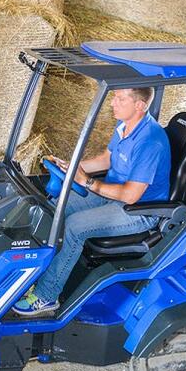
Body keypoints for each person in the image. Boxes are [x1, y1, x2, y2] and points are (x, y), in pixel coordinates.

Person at [13, 86, 171, 318]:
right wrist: (71, 167)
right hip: (111, 193)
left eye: (120, 99)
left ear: (140, 105)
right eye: (114, 97)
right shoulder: (125, 126)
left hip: (138, 211)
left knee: (74, 227)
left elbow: (131, 195)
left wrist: (88, 182)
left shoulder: (150, 142)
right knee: (53, 209)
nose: (113, 103)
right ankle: (33, 274)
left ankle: (47, 296)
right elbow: (106, 160)